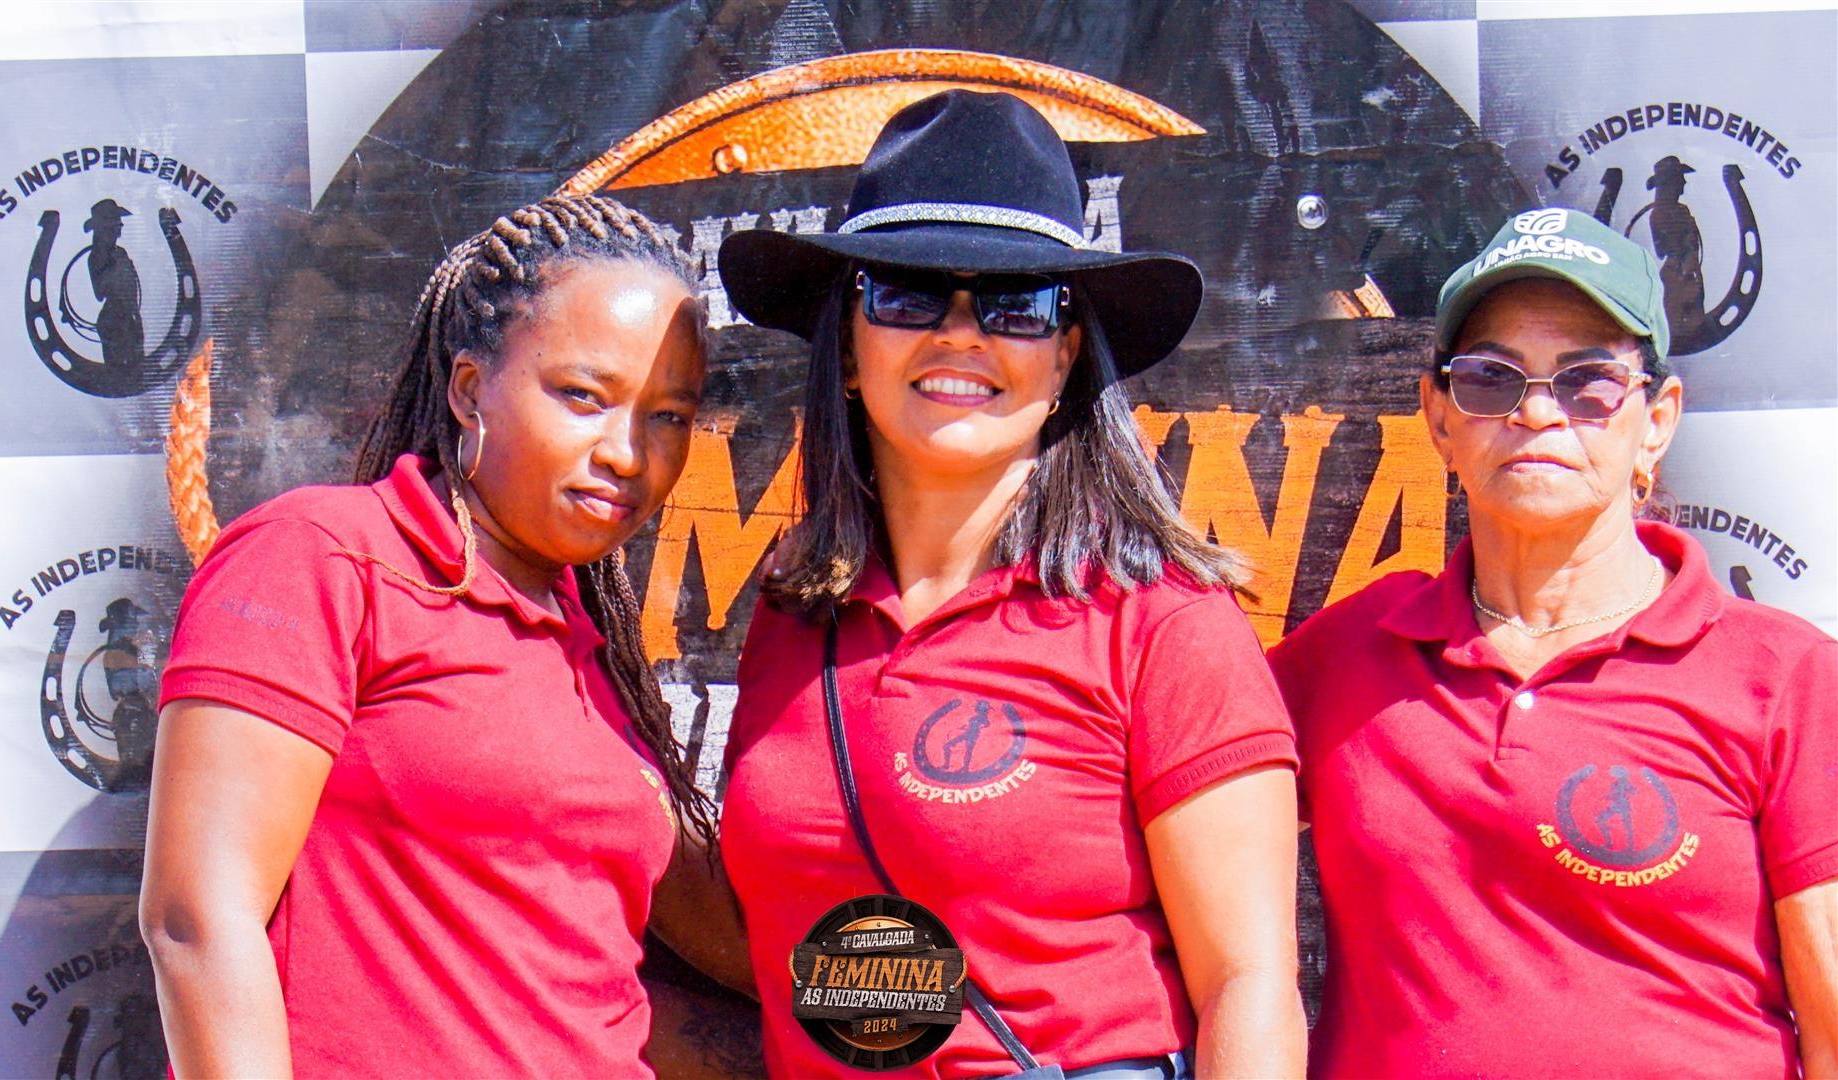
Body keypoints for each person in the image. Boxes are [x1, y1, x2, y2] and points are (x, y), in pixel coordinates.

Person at [715, 90, 1305, 1078]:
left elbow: (1250, 987)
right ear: (849, 347)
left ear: (1066, 356)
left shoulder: (1161, 623)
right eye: (906, 295)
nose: (962, 335)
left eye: (1016, 305)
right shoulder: (792, 612)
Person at [140, 193, 742, 1076]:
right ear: (469, 390)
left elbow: (644, 971)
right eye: (583, 396)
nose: (627, 452)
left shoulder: (590, 653)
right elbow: (196, 921)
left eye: (669, 416)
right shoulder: (327, 556)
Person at [1270, 208, 1838, 1077]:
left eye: (1588, 382)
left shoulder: (1785, 676)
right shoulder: (1349, 653)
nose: (1538, 411)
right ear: (1438, 417)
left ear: (1657, 419)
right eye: (1491, 378)